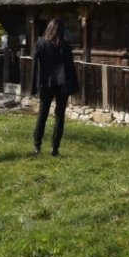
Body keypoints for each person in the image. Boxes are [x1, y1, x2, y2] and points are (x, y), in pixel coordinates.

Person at [31, 19, 78, 156]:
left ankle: (37, 146)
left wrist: (34, 86)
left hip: (45, 84)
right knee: (59, 116)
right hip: (62, 84)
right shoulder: (65, 46)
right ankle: (55, 148)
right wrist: (73, 84)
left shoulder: (40, 44)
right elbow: (70, 68)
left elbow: (34, 66)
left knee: (42, 115)